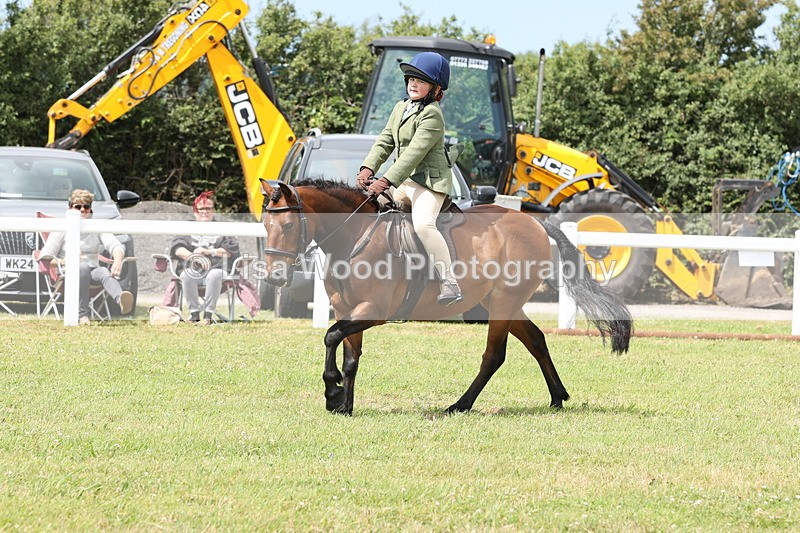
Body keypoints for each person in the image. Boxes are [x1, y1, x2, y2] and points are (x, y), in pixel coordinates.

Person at [357, 51, 462, 305]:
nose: (413, 84)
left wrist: (386, 181)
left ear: (435, 89)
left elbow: (413, 154)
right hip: (404, 183)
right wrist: (367, 168)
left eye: (421, 81)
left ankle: (449, 282)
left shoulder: (433, 115)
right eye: (411, 79)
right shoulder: (400, 108)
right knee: (365, 209)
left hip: (428, 184)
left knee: (424, 224)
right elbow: (385, 141)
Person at [38, 189, 133, 325]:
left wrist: (117, 262)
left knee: (103, 271)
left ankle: (120, 299)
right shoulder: (61, 228)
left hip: (93, 270)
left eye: (86, 207)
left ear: (91, 209)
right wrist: (65, 261)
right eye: (78, 207)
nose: (82, 210)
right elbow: (45, 258)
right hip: (66, 272)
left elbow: (116, 246)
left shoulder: (96, 226)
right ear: (70, 209)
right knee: (82, 267)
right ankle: (82, 315)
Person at [169, 191, 240, 324]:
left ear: (213, 211)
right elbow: (177, 249)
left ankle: (208, 316)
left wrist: (209, 251)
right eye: (201, 209)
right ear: (195, 211)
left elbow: (229, 251)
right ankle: (194, 315)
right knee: (187, 274)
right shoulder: (187, 227)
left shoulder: (223, 228)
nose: (205, 212)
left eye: (209, 208)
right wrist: (194, 256)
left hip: (218, 270)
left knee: (214, 274)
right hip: (193, 269)